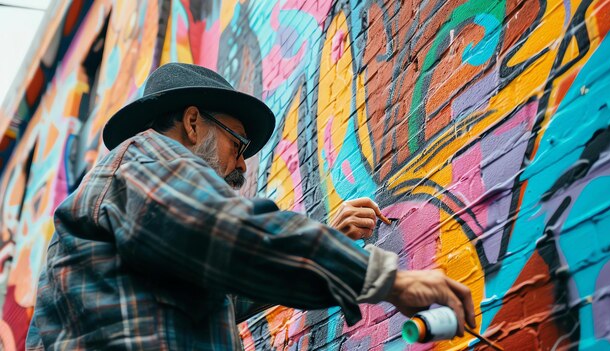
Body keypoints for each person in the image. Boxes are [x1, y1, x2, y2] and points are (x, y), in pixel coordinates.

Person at [26, 63, 475, 350]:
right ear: (192, 121)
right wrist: (386, 279)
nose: (242, 164)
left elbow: (228, 289)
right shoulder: (146, 156)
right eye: (238, 144)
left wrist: (329, 239)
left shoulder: (143, 207)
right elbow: (226, 233)